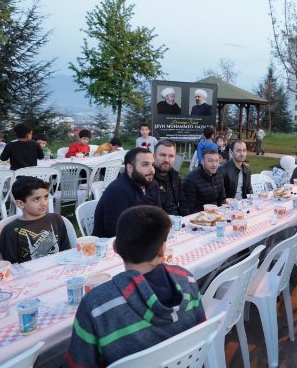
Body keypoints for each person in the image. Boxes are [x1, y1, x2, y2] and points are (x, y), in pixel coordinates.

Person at [67, 206, 205, 367]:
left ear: (115, 248)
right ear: (162, 250)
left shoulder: (95, 304)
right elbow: (200, 330)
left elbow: (78, 364)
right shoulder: (186, 279)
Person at [0, 177, 70, 263]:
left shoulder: (56, 219)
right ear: (20, 204)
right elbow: (11, 266)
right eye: (36, 199)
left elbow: (67, 252)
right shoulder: (10, 231)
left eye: (46, 197)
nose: (44, 203)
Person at [92, 148, 161, 238]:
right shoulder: (118, 190)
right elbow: (114, 230)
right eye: (145, 165)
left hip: (143, 239)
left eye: (152, 165)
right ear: (130, 168)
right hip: (111, 246)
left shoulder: (152, 185)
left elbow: (159, 215)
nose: (152, 170)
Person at [182, 148, 225, 214]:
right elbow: (189, 209)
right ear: (202, 161)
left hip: (216, 214)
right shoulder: (191, 180)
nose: (214, 165)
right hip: (198, 217)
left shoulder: (219, 175)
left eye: (216, 161)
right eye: (210, 161)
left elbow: (222, 199)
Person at [153, 140, 185, 216]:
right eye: (163, 155)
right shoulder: (149, 178)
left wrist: (186, 221)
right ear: (154, 157)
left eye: (171, 156)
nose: (167, 160)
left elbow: (183, 203)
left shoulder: (176, 177)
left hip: (178, 222)